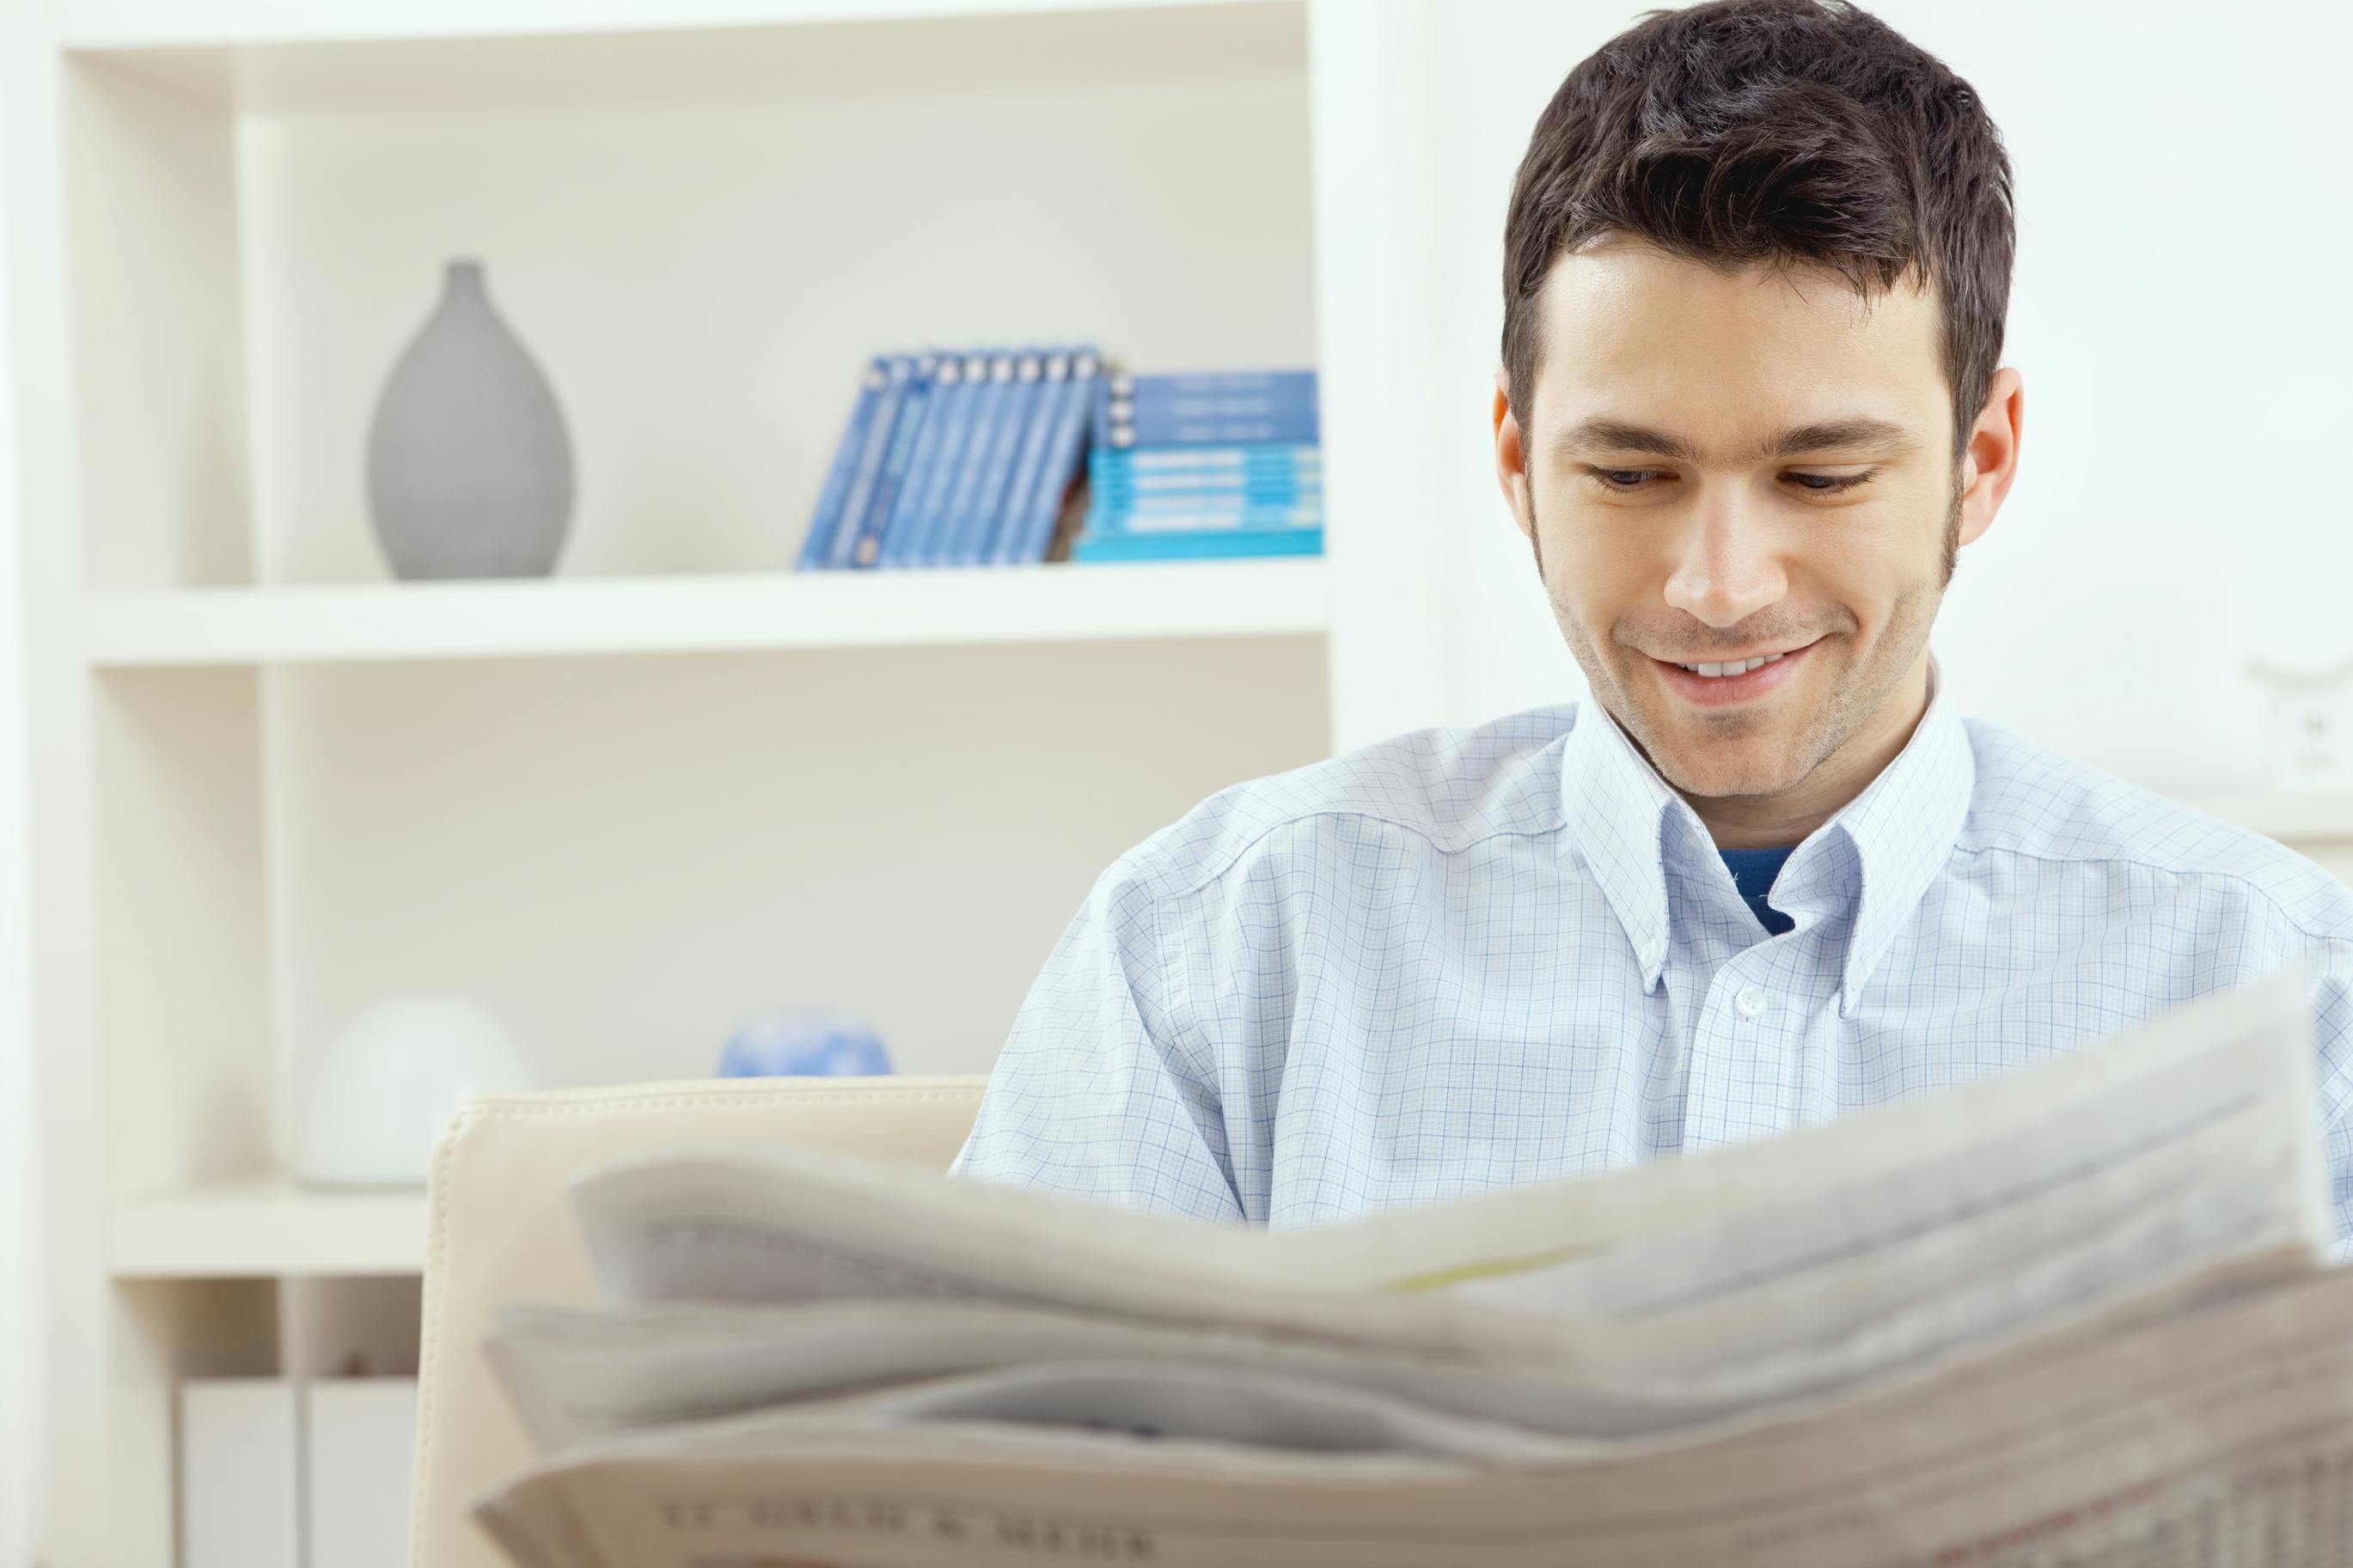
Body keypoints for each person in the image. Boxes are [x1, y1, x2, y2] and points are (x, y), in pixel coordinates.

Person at [951, 0, 2353, 1245]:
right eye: (1630, 473)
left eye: (1818, 474)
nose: (1717, 585)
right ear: (1514, 458)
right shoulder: (1221, 941)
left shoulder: (2272, 987)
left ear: (1979, 461)